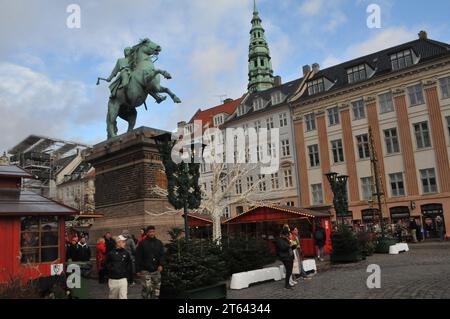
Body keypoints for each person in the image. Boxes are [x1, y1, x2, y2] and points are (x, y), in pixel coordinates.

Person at [135, 226, 165, 299]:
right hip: (145, 270)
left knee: (156, 290)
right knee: (147, 289)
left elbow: (162, 255)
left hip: (156, 270)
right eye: (150, 232)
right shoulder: (142, 243)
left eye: (153, 231)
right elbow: (138, 257)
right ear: (147, 233)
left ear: (155, 232)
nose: (152, 233)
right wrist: (137, 270)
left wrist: (161, 264)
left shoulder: (159, 242)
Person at [104, 235, 132, 299]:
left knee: (123, 296)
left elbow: (129, 264)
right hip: (113, 279)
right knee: (113, 297)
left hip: (123, 279)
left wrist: (128, 275)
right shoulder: (111, 253)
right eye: (123, 242)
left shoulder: (126, 253)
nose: (124, 243)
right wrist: (112, 270)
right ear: (118, 242)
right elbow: (105, 264)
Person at [275, 225, 296, 290]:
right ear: (284, 234)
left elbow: (292, 247)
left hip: (290, 256)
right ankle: (286, 285)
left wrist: (294, 245)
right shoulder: (279, 240)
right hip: (285, 257)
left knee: (290, 271)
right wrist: (289, 245)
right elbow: (283, 248)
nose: (288, 236)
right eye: (287, 234)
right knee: (289, 271)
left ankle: (288, 284)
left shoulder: (286, 239)